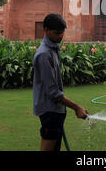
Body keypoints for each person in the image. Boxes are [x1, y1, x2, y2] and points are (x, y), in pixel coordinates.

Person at [33, 13, 88, 151]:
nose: (61, 36)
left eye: (62, 33)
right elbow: (53, 92)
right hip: (49, 112)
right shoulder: (44, 54)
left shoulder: (53, 50)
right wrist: (76, 107)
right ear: (46, 30)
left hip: (55, 111)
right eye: (57, 33)